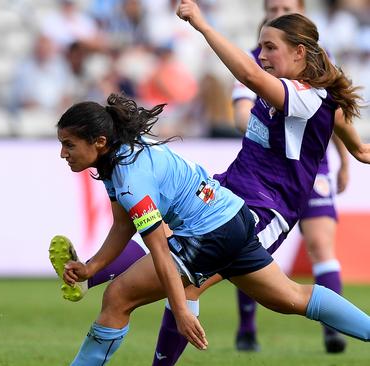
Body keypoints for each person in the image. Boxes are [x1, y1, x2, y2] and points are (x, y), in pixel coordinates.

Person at [50, 1, 370, 364]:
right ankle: (95, 274)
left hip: (263, 211)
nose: (261, 54)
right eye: (260, 46)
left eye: (270, 47)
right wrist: (357, 147)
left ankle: (105, 289)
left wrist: (202, 25)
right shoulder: (295, 93)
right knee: (288, 298)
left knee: (173, 285)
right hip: (230, 194)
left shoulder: (304, 96)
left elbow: (305, 99)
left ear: (300, 52)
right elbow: (334, 112)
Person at [230, 0, 350, 353]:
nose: (276, 10)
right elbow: (241, 111)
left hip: (314, 169)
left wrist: (344, 158)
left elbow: (335, 116)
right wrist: (261, 122)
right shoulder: (255, 59)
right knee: (243, 248)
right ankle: (247, 330)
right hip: (268, 171)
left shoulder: (318, 61)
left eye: (285, 6)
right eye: (272, 6)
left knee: (320, 245)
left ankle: (333, 330)